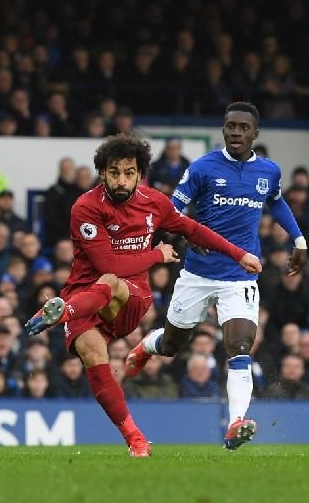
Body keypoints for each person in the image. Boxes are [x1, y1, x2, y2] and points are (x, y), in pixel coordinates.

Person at [24, 133, 261, 457]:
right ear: (102, 173)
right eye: (114, 172)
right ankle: (135, 439)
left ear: (140, 173)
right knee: (93, 355)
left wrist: (238, 254)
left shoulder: (154, 203)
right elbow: (107, 261)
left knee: (112, 282)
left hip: (129, 297)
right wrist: (156, 255)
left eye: (129, 172)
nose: (122, 180)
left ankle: (60, 313)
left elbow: (192, 229)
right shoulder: (86, 207)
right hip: (83, 295)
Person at [124, 101, 306, 451]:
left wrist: (300, 239)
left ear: (255, 133)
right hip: (197, 273)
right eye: (230, 126)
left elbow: (278, 202)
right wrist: (188, 234)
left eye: (242, 127)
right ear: (223, 130)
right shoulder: (203, 168)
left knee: (239, 347)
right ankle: (148, 345)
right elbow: (171, 210)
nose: (235, 132)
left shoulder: (268, 172)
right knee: (172, 346)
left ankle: (236, 422)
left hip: (239, 276)